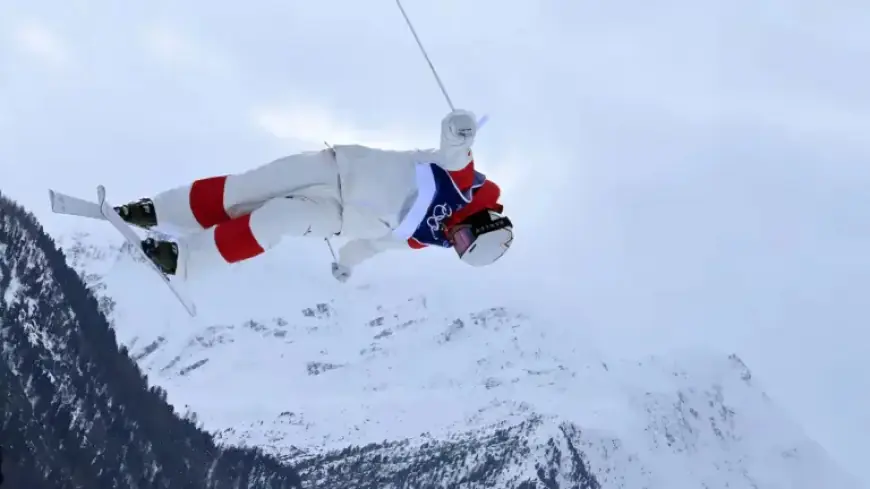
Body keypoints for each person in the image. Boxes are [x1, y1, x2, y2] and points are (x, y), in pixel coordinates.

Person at [113, 109, 514, 283]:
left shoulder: (424, 238)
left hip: (336, 217)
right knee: (245, 190)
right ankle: (158, 210)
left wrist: (346, 264)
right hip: (336, 168)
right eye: (464, 237)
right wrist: (460, 128)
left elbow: (373, 246)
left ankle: (184, 260)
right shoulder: (459, 184)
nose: (453, 239)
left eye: (458, 248)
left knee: (277, 219)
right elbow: (455, 148)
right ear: (481, 221)